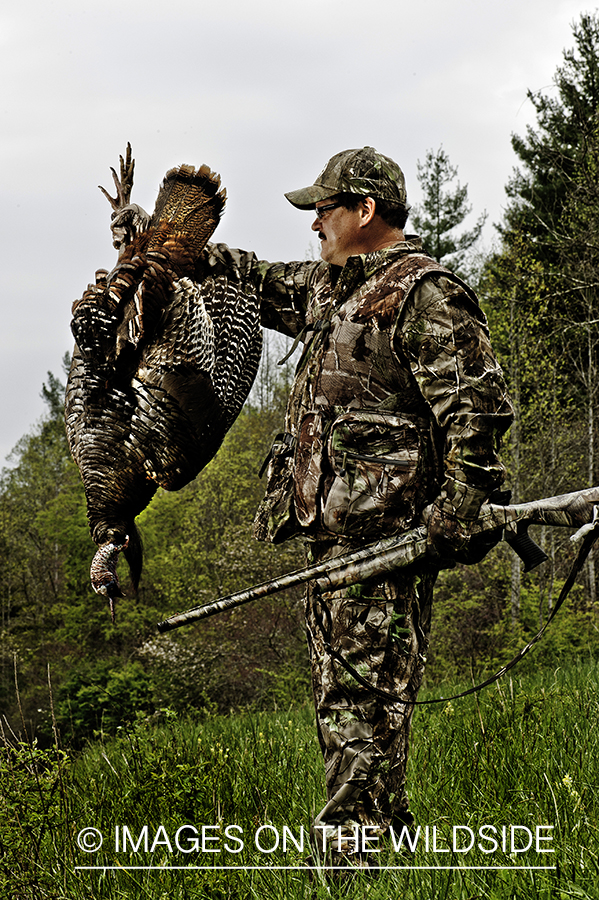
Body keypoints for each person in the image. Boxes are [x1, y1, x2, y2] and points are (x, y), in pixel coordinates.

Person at [112, 146, 514, 863]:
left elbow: (476, 411)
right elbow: (246, 277)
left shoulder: (423, 292)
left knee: (360, 704)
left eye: (323, 211)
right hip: (329, 539)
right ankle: (381, 850)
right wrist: (155, 239)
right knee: (349, 700)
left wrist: (455, 511)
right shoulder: (330, 290)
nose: (314, 226)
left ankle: (347, 861)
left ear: (365, 211)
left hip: (384, 540)